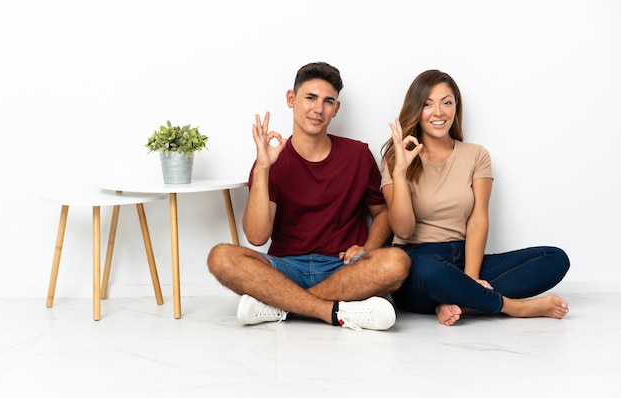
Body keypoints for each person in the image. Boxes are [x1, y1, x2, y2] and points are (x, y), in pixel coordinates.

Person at [207, 62, 411, 331]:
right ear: (291, 99)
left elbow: (382, 213)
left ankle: (281, 306)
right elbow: (257, 237)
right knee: (220, 257)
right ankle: (333, 311)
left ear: (336, 109)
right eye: (310, 98)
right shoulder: (270, 160)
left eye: (328, 101)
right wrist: (264, 169)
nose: (318, 109)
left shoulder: (358, 155)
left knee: (397, 263)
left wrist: (369, 248)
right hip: (285, 268)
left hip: (343, 268)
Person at [380, 69, 570, 326]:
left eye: (447, 102)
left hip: (464, 258)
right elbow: (403, 228)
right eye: (428, 104)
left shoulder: (476, 155)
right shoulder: (397, 157)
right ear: (417, 109)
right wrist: (400, 172)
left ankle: (461, 302)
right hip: (417, 265)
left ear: (456, 108)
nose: (439, 112)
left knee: (555, 258)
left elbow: (478, 219)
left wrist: (469, 277)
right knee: (430, 269)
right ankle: (513, 307)